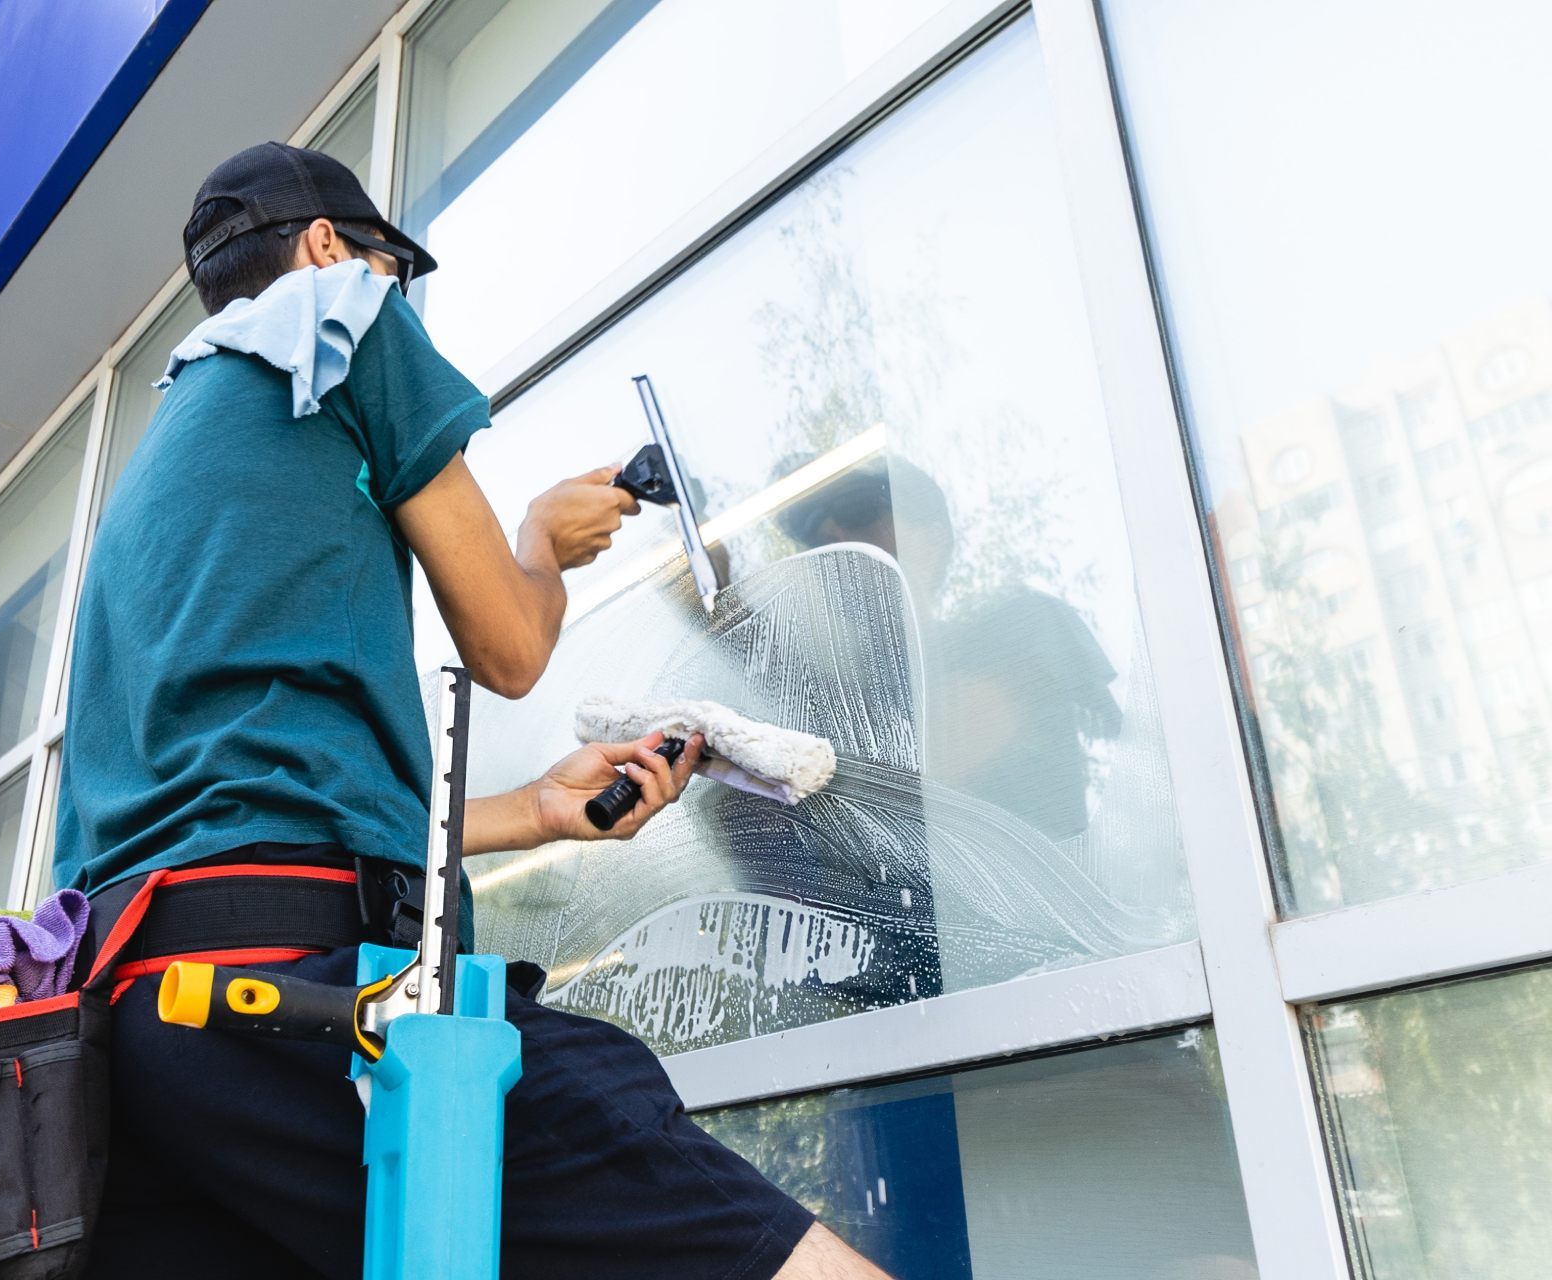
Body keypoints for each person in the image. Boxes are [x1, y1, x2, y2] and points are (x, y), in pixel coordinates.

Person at [55, 142, 886, 1279]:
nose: (396, 295)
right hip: (296, 989)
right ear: (324, 248)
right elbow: (508, 646)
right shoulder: (339, 317)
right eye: (391, 268)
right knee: (696, 1210)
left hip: (146, 1033)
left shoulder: (151, 480)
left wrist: (539, 809)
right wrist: (543, 543)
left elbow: (242, 808)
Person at [777, 452, 1122, 841]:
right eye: (813, 538)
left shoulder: (1024, 626)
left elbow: (920, 775)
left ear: (932, 534)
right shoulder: (832, 692)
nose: (834, 535)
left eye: (857, 509)